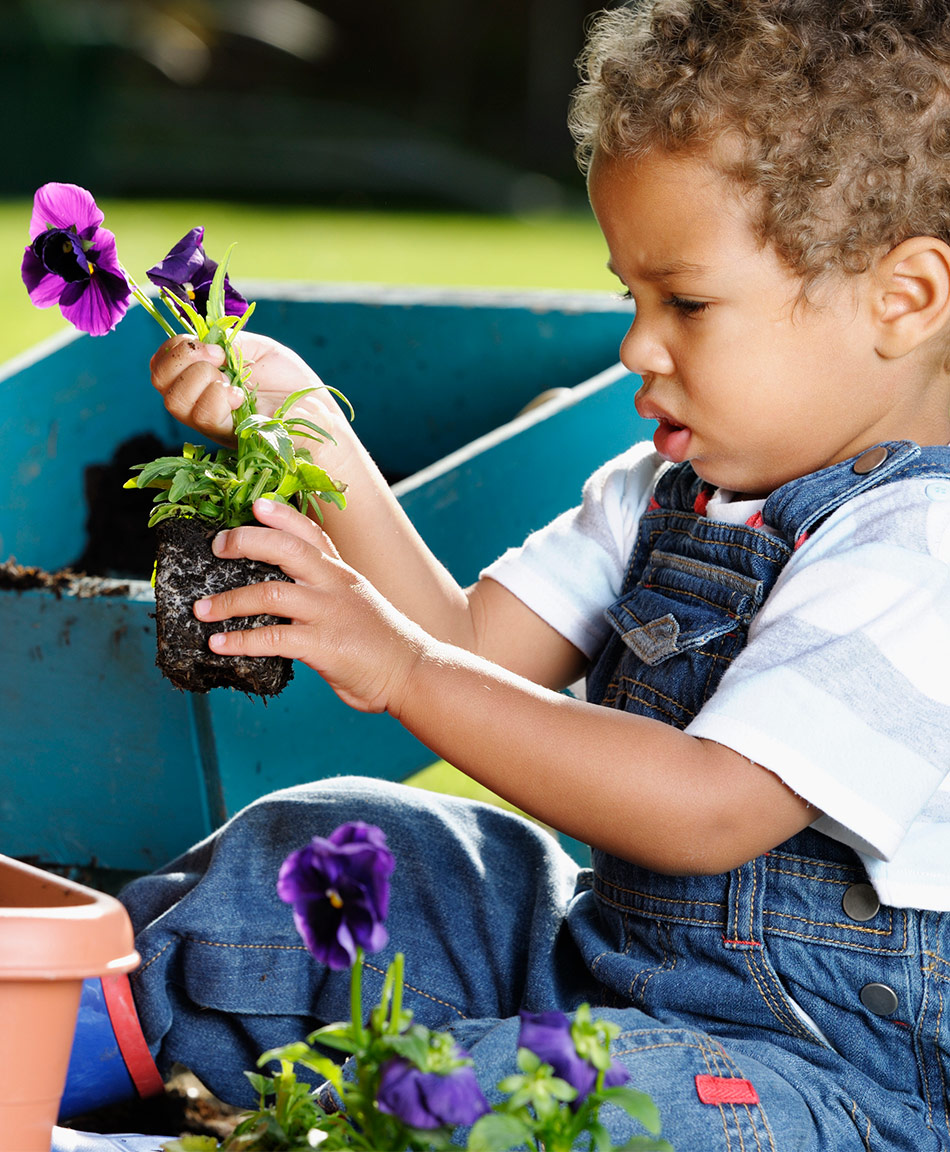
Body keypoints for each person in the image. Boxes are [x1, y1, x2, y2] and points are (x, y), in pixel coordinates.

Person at [63, 1, 950, 1147]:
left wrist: (401, 666)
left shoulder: (916, 548)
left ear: (903, 299)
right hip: (591, 969)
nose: (636, 342)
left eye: (683, 302)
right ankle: (64, 1042)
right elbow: (470, 647)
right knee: (336, 842)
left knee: (525, 1100)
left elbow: (707, 808)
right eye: (630, 295)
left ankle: (243, 1129)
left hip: (812, 1084)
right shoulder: (659, 489)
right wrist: (319, 443)